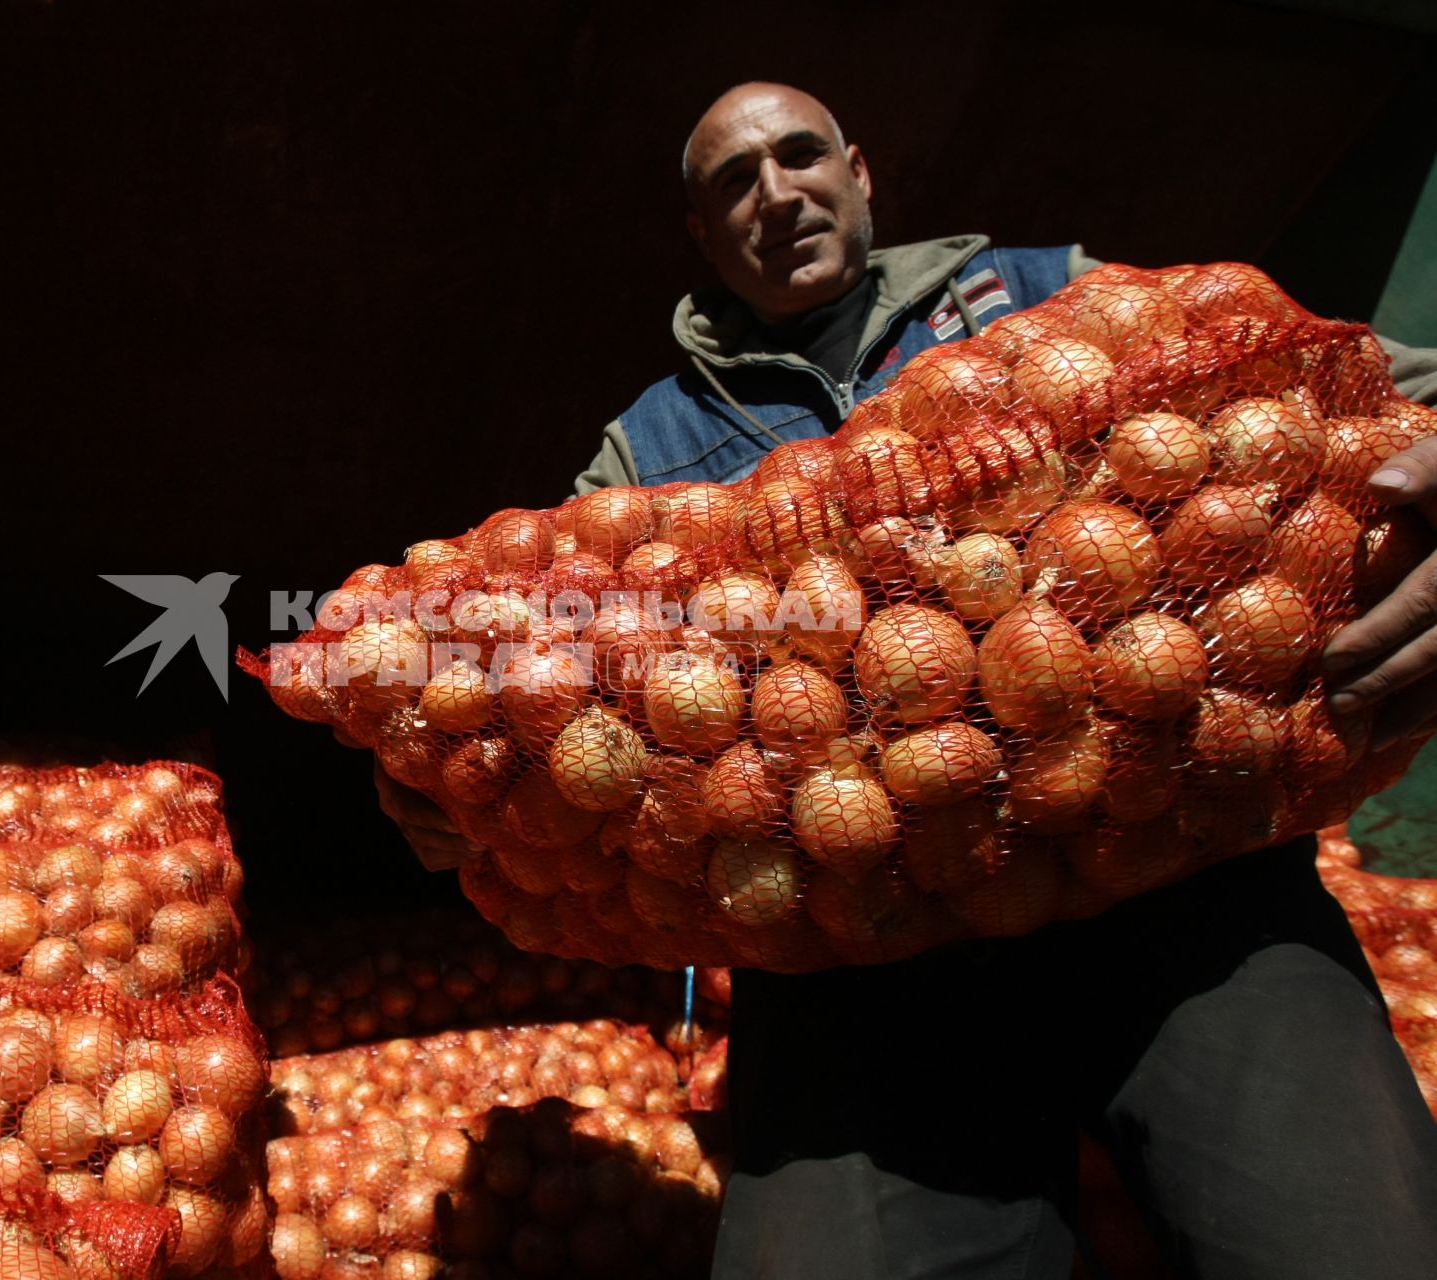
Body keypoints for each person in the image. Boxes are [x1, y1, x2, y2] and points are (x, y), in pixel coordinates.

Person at [379, 82, 1437, 1277]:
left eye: (798, 156)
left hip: (1192, 891)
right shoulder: (642, 456)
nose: (776, 193)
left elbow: (1372, 394)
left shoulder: (1050, 290)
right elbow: (556, 680)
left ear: (860, 171)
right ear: (700, 232)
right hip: (858, 965)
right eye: (735, 180)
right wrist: (467, 778)